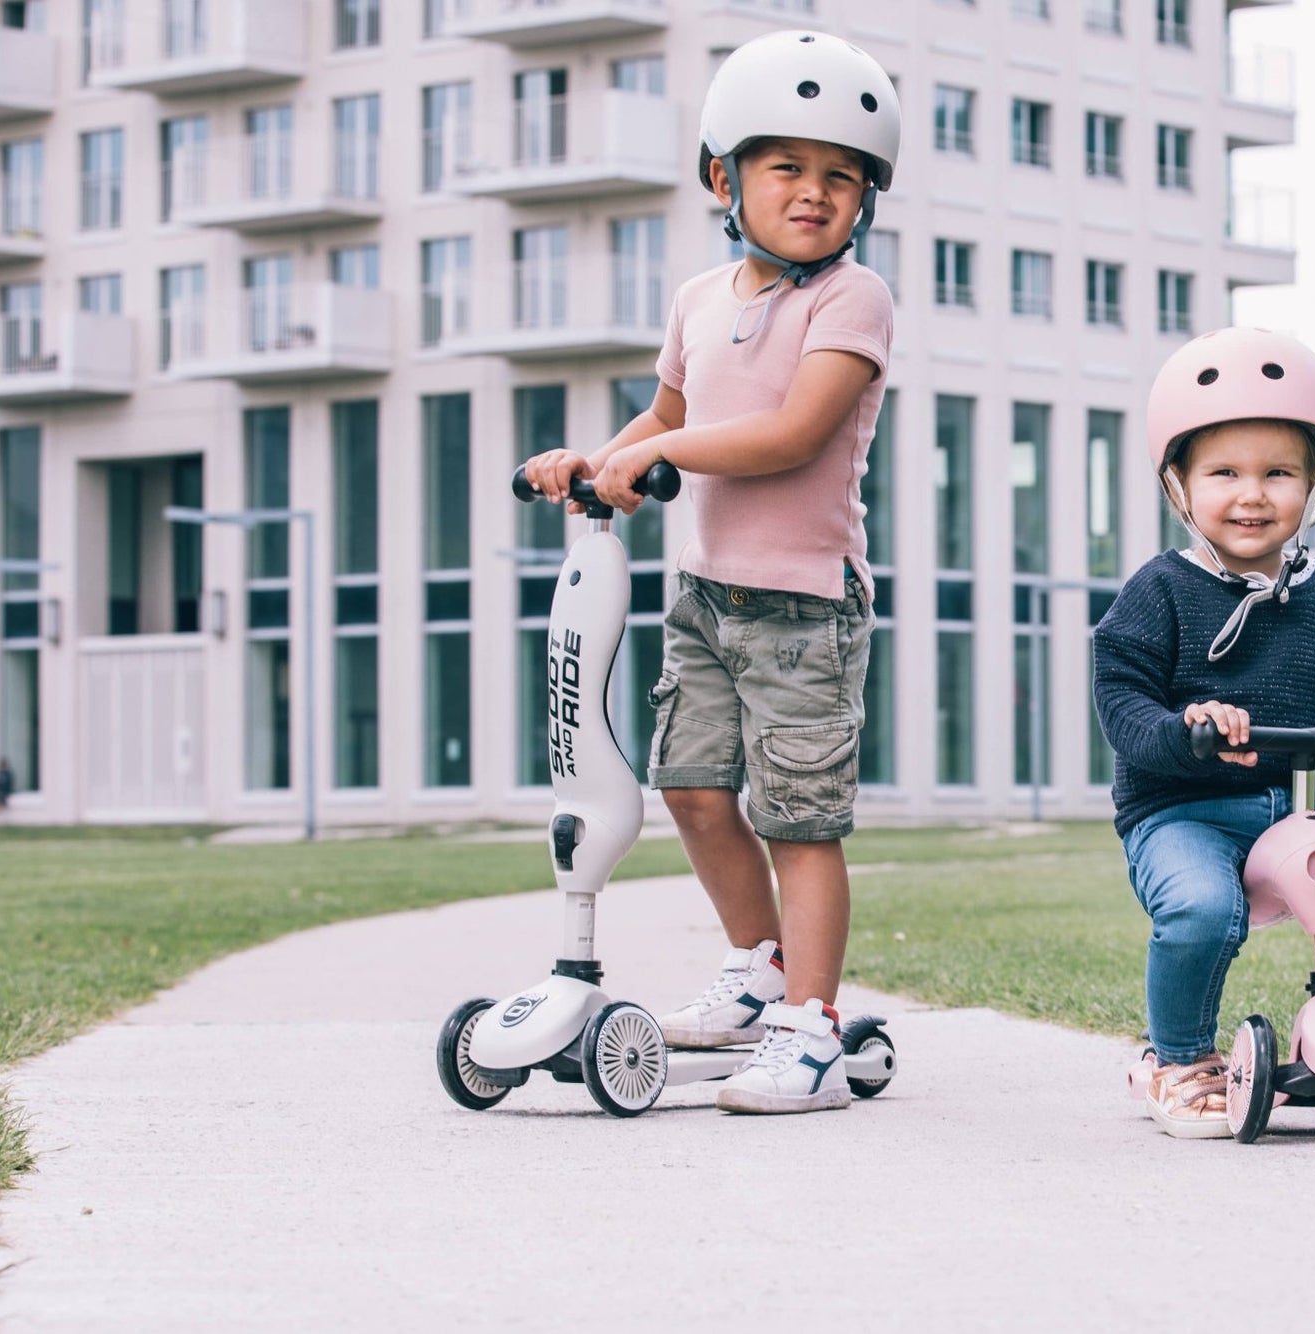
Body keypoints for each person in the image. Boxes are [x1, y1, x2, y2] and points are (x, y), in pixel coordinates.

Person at [521, 30, 900, 1115]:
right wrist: (598, 459)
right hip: (705, 598)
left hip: (803, 605)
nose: (815, 193)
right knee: (689, 790)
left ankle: (813, 1031)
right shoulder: (696, 298)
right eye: (787, 167)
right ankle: (758, 969)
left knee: (799, 817)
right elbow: (673, 420)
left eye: (841, 176)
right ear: (722, 177)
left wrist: (656, 454)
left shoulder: (850, 300)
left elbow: (787, 432)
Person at [1092, 328, 1315, 1139]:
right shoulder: (1160, 591)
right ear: (1179, 485)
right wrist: (1188, 728)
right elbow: (1123, 703)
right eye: (1224, 473)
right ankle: (1177, 1060)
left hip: (1295, 813)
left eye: (1278, 473)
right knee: (1201, 908)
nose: (1251, 495)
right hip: (1181, 813)